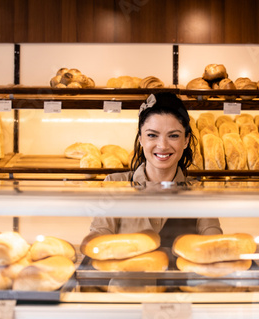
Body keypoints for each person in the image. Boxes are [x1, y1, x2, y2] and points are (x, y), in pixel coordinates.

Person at [81, 92, 223, 249]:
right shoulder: (116, 184)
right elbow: (100, 236)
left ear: (186, 140)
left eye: (173, 136)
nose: (162, 145)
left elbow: (213, 242)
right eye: (152, 135)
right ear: (141, 138)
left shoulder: (198, 191)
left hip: (181, 274)